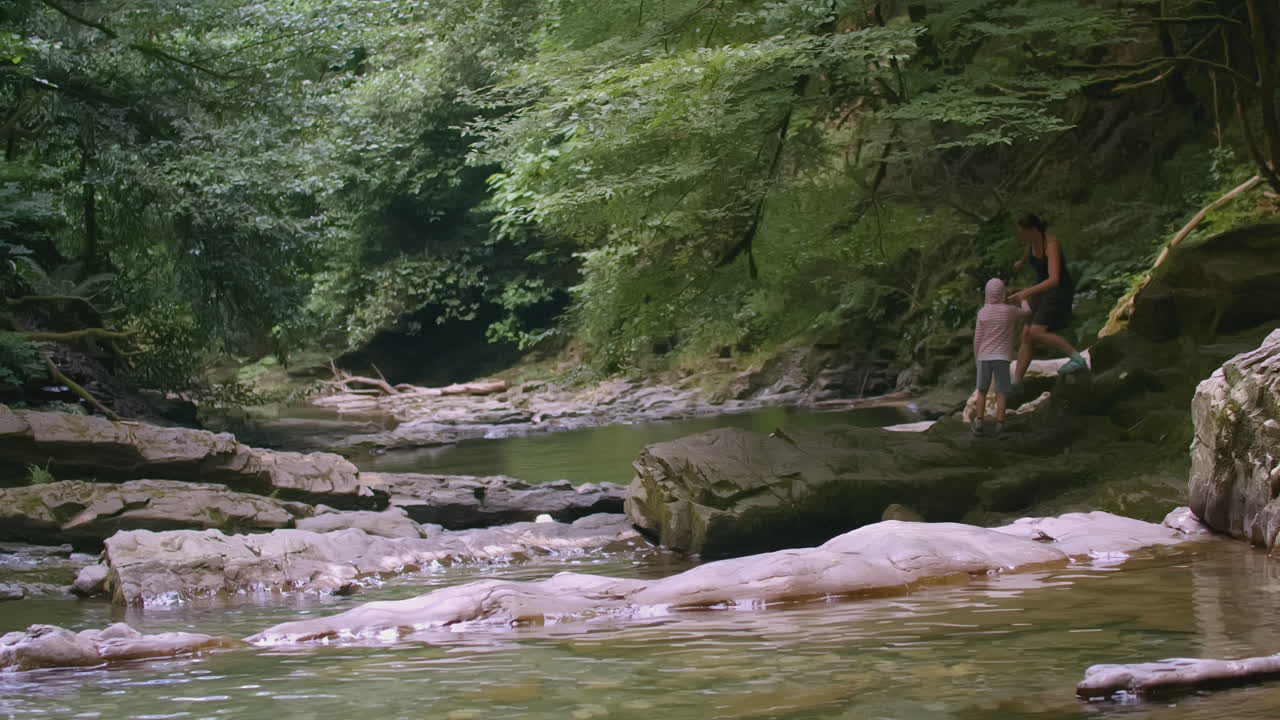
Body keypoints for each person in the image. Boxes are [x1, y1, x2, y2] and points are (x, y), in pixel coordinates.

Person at [1008, 213, 1088, 380]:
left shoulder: (1051, 245)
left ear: (1034, 230)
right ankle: (1016, 382)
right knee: (1026, 334)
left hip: (1059, 290)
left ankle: (1077, 359)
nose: (1021, 237)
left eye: (1023, 233)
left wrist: (1025, 292)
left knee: (1036, 332)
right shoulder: (1031, 243)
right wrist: (1021, 262)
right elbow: (1027, 252)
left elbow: (1054, 279)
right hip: (1042, 290)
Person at [973, 278, 1030, 437]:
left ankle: (979, 423)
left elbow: (977, 338)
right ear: (1003, 293)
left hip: (984, 356)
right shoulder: (1009, 311)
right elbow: (1027, 312)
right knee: (1002, 392)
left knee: (982, 391)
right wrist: (1022, 299)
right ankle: (1000, 425)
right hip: (1002, 357)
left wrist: (977, 357)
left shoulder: (982, 312)